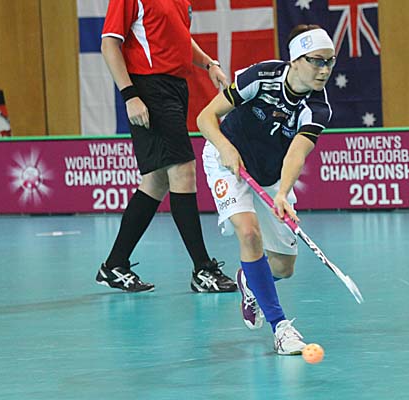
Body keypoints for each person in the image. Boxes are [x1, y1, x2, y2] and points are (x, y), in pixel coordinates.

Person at [197, 25, 336, 354]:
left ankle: (250, 280)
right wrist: (225, 148)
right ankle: (281, 329)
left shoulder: (318, 108)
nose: (325, 70)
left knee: (284, 267)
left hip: (270, 175)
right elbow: (205, 117)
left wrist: (282, 193)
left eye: (330, 62)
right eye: (317, 61)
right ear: (296, 60)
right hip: (226, 160)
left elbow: (296, 154)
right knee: (249, 233)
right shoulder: (260, 76)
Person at [95, 0, 237, 294]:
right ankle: (202, 269)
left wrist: (208, 63)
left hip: (175, 87)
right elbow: (109, 44)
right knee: (183, 170)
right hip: (149, 87)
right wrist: (130, 95)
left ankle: (114, 265)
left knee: (157, 180)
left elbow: (180, 38)